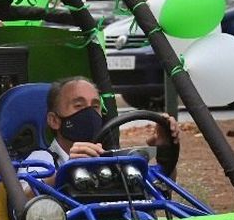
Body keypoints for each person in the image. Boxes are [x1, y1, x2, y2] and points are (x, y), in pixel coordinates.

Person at [44, 75, 179, 175]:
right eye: (79, 105)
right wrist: (69, 168)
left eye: (95, 106)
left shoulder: (111, 159)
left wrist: (165, 150)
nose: (89, 112)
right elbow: (27, 198)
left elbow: (161, 187)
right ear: (54, 120)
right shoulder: (42, 159)